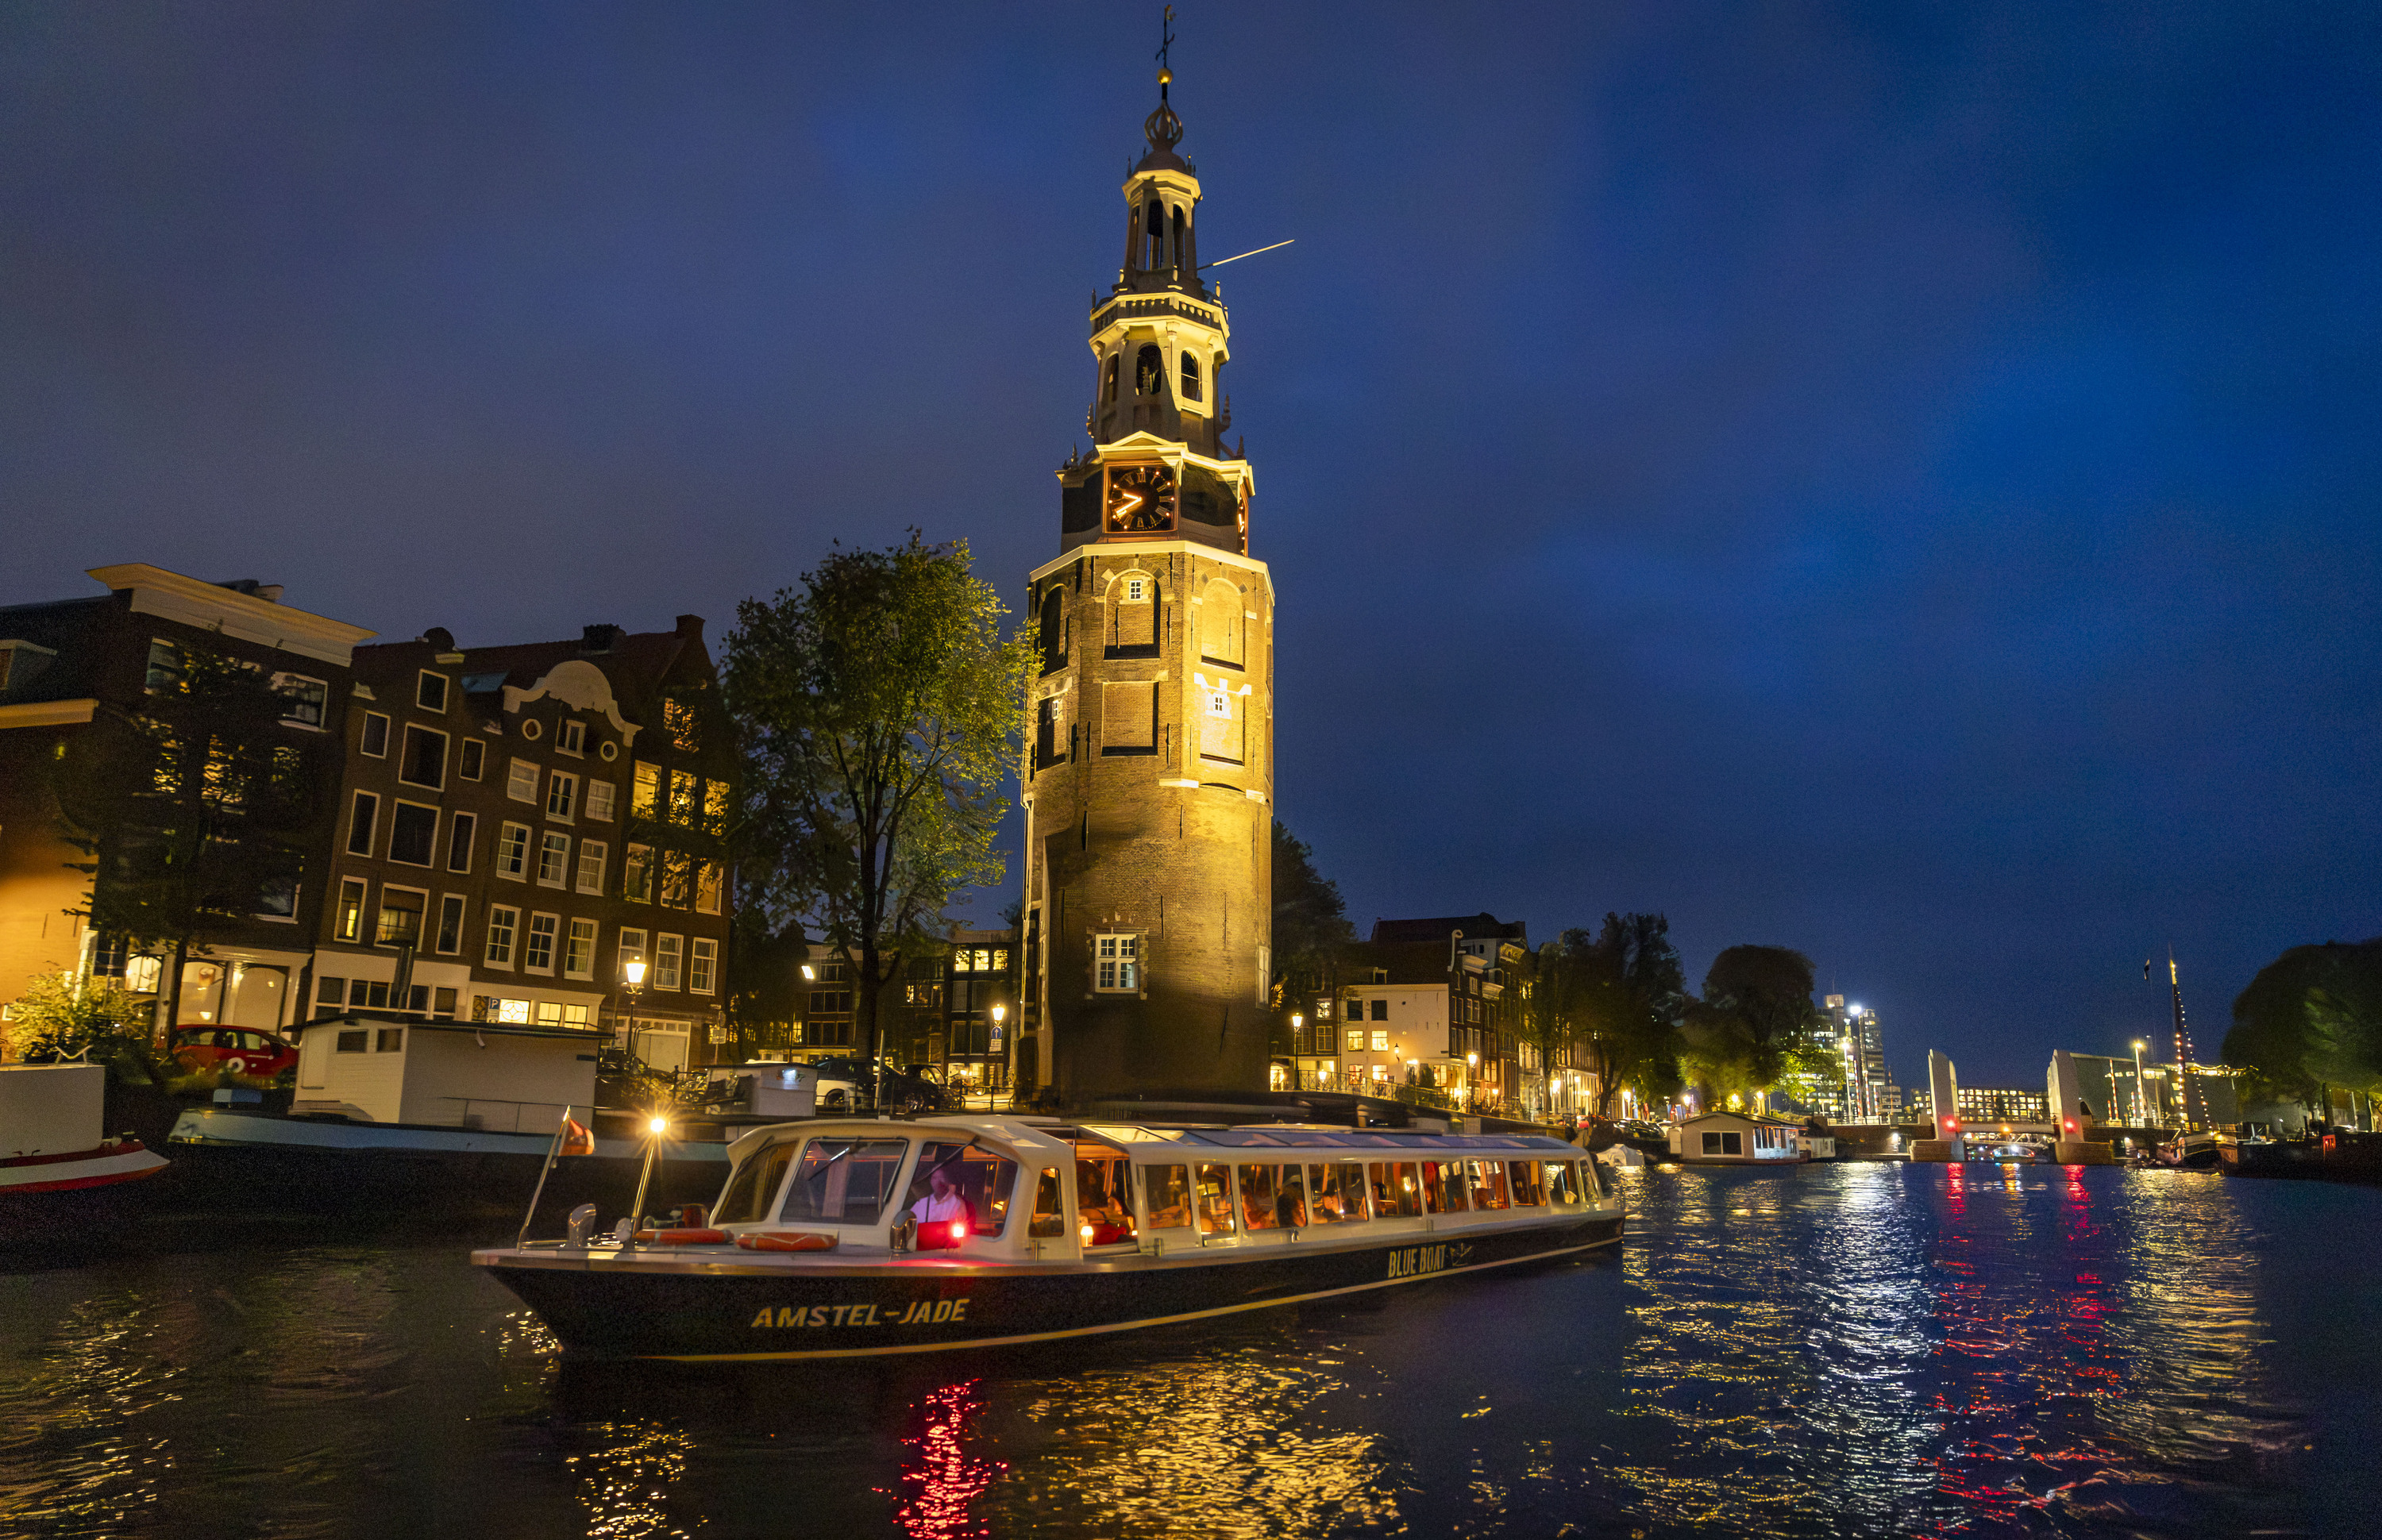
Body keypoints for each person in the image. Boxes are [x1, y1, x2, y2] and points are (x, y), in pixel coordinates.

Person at [910, 1164, 973, 1246]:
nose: (938, 1182)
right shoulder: (922, 1203)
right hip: (921, 1252)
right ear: (931, 1181)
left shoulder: (957, 1204)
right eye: (935, 1178)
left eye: (942, 1178)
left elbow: (962, 1235)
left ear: (948, 1181)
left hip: (946, 1253)